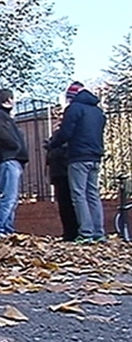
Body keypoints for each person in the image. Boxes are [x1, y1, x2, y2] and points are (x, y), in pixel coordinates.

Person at [46, 82, 107, 244]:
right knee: (93, 194)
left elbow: (66, 132)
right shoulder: (98, 111)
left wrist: (52, 144)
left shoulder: (74, 109)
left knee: (79, 195)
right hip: (95, 156)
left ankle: (86, 232)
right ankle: (98, 232)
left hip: (78, 157)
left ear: (72, 97)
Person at [0, 88, 28, 239]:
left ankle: (6, 229)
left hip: (12, 159)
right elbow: (0, 134)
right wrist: (15, 146)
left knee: (12, 198)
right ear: (9, 99)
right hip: (8, 159)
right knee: (8, 197)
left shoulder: (4, 116)